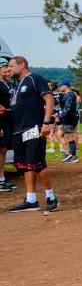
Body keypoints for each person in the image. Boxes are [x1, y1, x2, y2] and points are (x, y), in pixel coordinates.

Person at [7, 56, 59, 212]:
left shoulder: (35, 79)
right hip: (18, 130)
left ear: (22, 65)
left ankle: (51, 197)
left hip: (33, 128)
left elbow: (49, 100)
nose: (8, 69)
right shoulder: (16, 85)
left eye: (11, 66)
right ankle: (31, 200)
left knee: (36, 163)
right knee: (24, 165)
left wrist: (47, 123)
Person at [0, 60, 18, 192]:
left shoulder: (9, 84)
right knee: (0, 150)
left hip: (9, 121)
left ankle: (2, 178)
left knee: (3, 150)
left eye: (8, 70)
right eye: (5, 71)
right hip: (1, 121)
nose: (8, 73)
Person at [57, 81, 79, 163]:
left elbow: (67, 108)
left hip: (69, 119)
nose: (59, 87)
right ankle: (69, 154)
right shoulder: (67, 95)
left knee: (69, 137)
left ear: (65, 86)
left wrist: (60, 117)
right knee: (60, 135)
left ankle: (71, 155)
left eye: (60, 86)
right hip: (68, 118)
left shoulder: (70, 95)